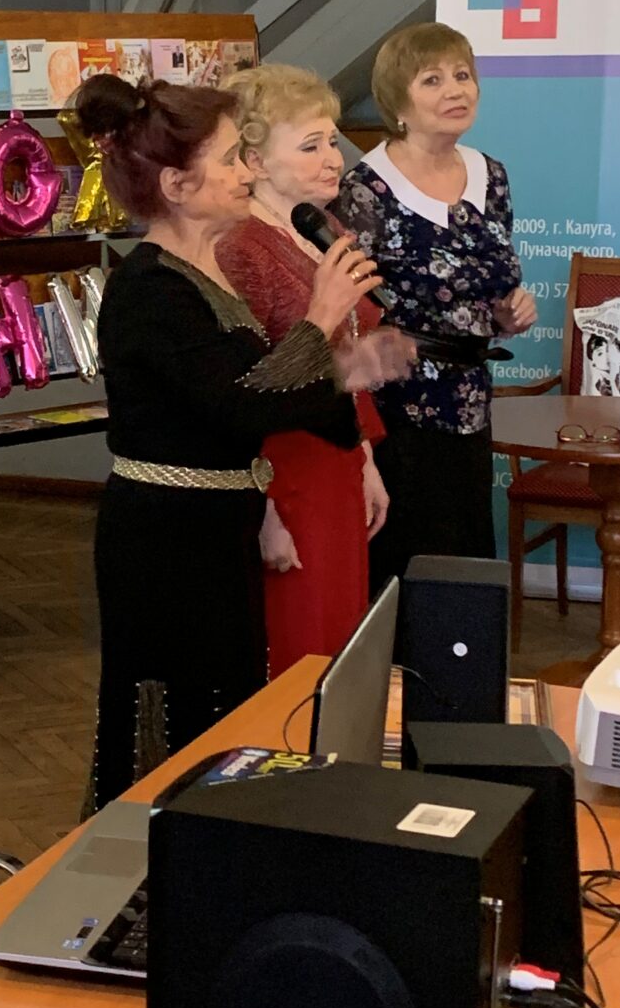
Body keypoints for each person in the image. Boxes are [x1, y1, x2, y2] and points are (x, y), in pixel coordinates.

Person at [81, 73, 412, 810]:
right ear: (176, 184)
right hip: (164, 539)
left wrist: (348, 369)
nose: (245, 171)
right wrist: (323, 318)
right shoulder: (150, 288)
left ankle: (217, 843)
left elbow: (258, 391)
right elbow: (241, 407)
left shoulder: (202, 271)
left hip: (214, 526)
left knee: (225, 707)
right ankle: (153, 849)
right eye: (231, 159)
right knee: (171, 718)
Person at [336, 23, 537, 591]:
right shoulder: (366, 188)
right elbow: (349, 305)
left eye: (462, 75)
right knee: (409, 556)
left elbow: (489, 286)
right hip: (399, 401)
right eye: (432, 80)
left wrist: (508, 314)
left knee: (464, 559)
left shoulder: (491, 175)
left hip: (470, 395)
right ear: (398, 102)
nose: (455, 90)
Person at [215, 65, 388, 672]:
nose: (333, 159)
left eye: (333, 142)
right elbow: (241, 390)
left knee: (340, 639)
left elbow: (346, 350)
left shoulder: (322, 227)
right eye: (311, 146)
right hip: (284, 468)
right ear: (255, 161)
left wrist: (365, 459)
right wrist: (263, 512)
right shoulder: (238, 247)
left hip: (336, 458)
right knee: (298, 641)